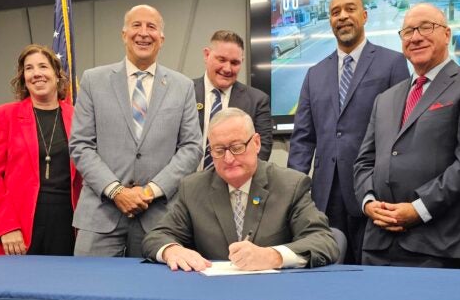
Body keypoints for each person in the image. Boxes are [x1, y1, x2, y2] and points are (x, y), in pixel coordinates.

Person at [353, 3, 460, 269]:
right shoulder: (385, 99)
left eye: (426, 27)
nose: (416, 37)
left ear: (446, 34)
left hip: (437, 243)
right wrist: (368, 203)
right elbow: (364, 162)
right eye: (408, 31)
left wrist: (419, 209)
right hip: (378, 241)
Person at [288, 0, 409, 264]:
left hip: (374, 193)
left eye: (350, 9)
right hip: (325, 195)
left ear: (364, 16)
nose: (342, 16)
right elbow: (303, 140)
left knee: (370, 275)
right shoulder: (314, 73)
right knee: (325, 272)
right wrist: (292, 193)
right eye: (335, 12)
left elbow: (402, 132)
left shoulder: (392, 63)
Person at [70, 4, 202, 257]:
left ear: (161, 39)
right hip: (100, 215)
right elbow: (81, 144)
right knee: (89, 294)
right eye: (136, 25)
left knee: (154, 295)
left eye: (151, 27)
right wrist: (117, 191)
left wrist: (150, 191)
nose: (143, 33)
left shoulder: (182, 86)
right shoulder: (92, 80)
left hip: (159, 217)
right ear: (123, 34)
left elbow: (191, 147)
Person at [143, 108, 338, 271]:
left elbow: (323, 241)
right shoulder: (193, 187)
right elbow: (156, 236)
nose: (228, 159)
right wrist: (172, 250)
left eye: (237, 147)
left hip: (276, 295)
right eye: (219, 150)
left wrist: (273, 256)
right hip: (212, 296)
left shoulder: (290, 185)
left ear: (256, 143)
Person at [0, 44, 82, 256]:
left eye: (43, 66)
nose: (36, 73)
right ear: (23, 78)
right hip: (18, 225)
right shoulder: (4, 116)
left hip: (68, 223)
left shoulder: (80, 117)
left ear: (57, 75)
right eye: (29, 68)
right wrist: (6, 226)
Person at [194, 30, 272, 169]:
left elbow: (261, 150)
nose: (227, 69)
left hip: (233, 185)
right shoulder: (184, 92)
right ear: (207, 55)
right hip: (185, 185)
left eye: (235, 62)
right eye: (221, 60)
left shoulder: (257, 101)